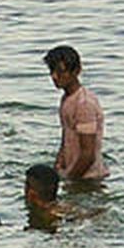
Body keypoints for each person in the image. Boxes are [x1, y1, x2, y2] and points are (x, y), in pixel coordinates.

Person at [45, 45, 108, 180]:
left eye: (60, 72)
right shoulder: (67, 99)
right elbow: (66, 136)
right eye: (52, 71)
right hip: (74, 172)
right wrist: (59, 164)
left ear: (76, 71)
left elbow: (88, 154)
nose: (54, 76)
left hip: (88, 178)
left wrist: (69, 178)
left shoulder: (84, 104)